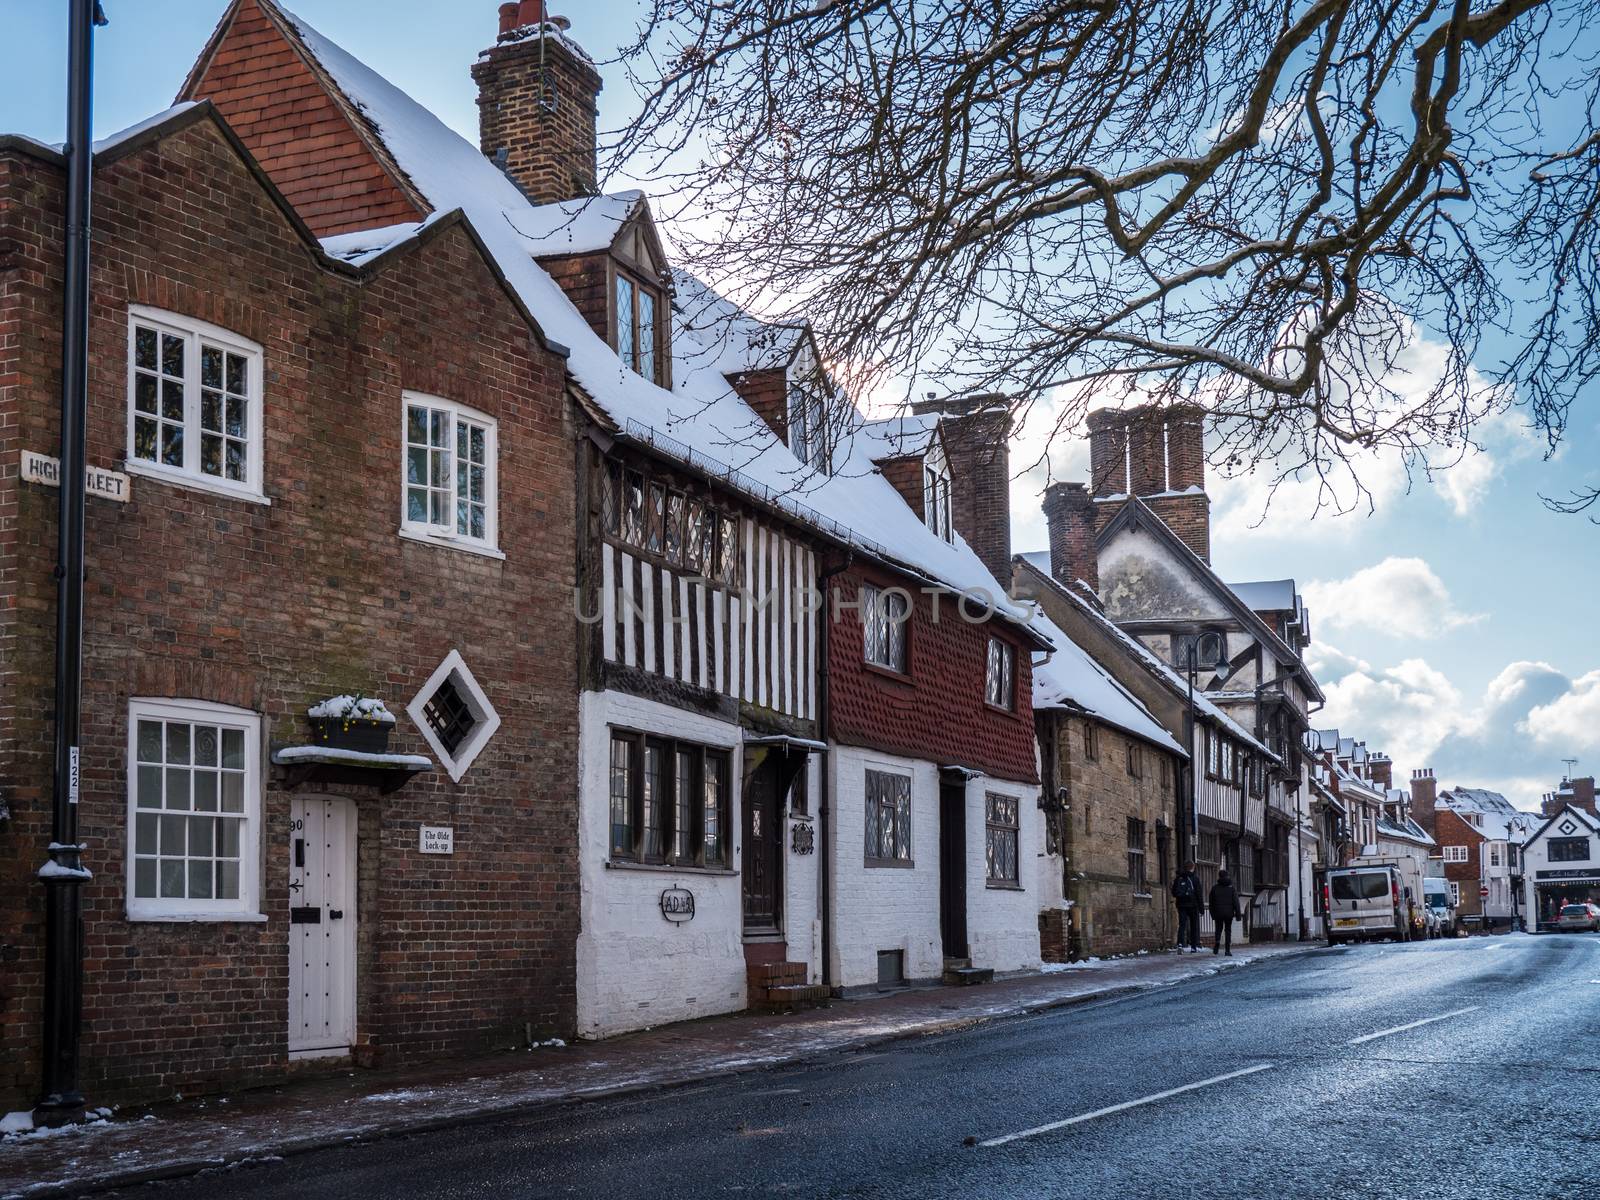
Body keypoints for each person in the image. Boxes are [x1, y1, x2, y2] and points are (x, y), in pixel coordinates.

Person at [1171, 860, 1203, 952]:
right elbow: (1199, 894)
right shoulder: (1195, 878)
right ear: (1193, 867)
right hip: (1193, 905)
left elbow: (1174, 892)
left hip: (1181, 905)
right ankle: (1193, 946)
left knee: (1182, 925)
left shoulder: (1178, 878)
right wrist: (1201, 909)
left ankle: (1180, 944)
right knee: (1193, 926)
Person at [1210, 868, 1240, 956]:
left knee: (1218, 929)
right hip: (1229, 913)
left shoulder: (1215, 888)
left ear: (1219, 877)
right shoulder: (1231, 888)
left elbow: (1211, 902)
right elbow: (1236, 902)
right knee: (1228, 930)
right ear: (1227, 876)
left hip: (1218, 912)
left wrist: (1212, 914)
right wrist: (1238, 915)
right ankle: (1227, 950)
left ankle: (1217, 942)